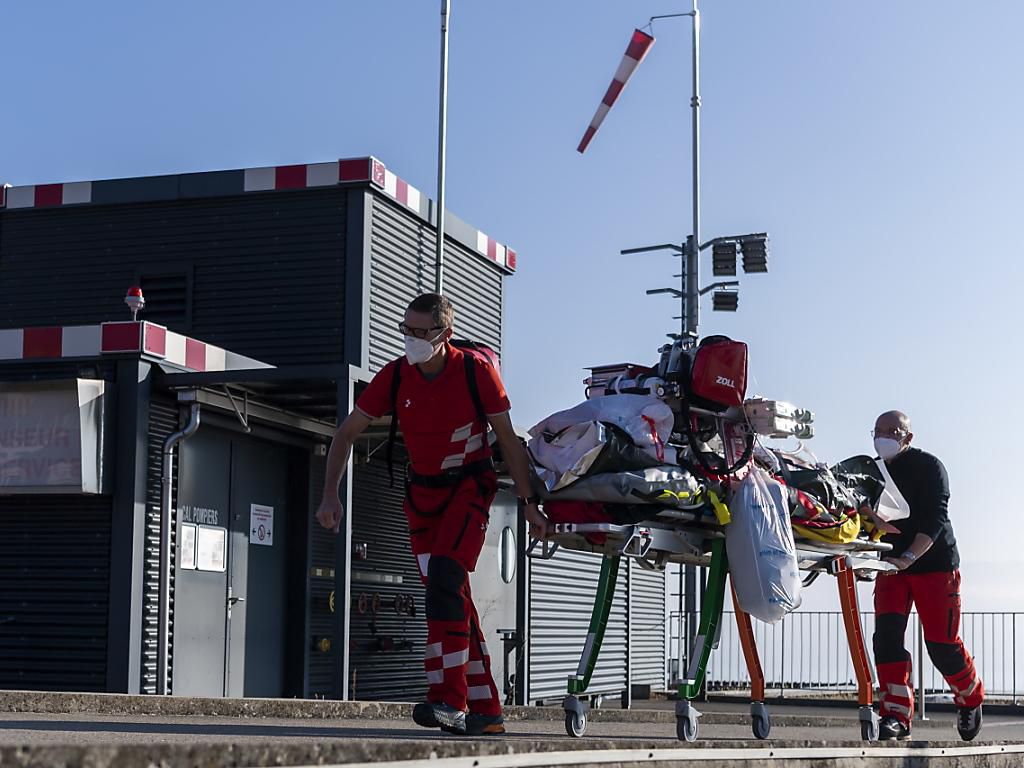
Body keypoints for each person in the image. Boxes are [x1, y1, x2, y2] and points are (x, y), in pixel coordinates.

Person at [316, 292, 549, 737]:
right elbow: (345, 433)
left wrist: (528, 503)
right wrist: (330, 495)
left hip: (470, 487)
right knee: (452, 599)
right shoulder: (396, 376)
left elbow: (508, 441)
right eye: (407, 330)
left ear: (445, 334)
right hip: (421, 497)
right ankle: (488, 713)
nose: (411, 339)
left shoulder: (474, 371)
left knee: (444, 582)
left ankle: (449, 701)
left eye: (421, 332)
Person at [869, 410, 983, 742]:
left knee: (941, 644)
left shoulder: (930, 467)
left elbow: (935, 519)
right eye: (877, 431)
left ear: (908, 436)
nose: (884, 436)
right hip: (890, 567)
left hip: (934, 565)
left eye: (892, 430)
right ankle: (895, 715)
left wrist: (909, 556)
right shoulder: (871, 471)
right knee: (887, 640)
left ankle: (970, 698)